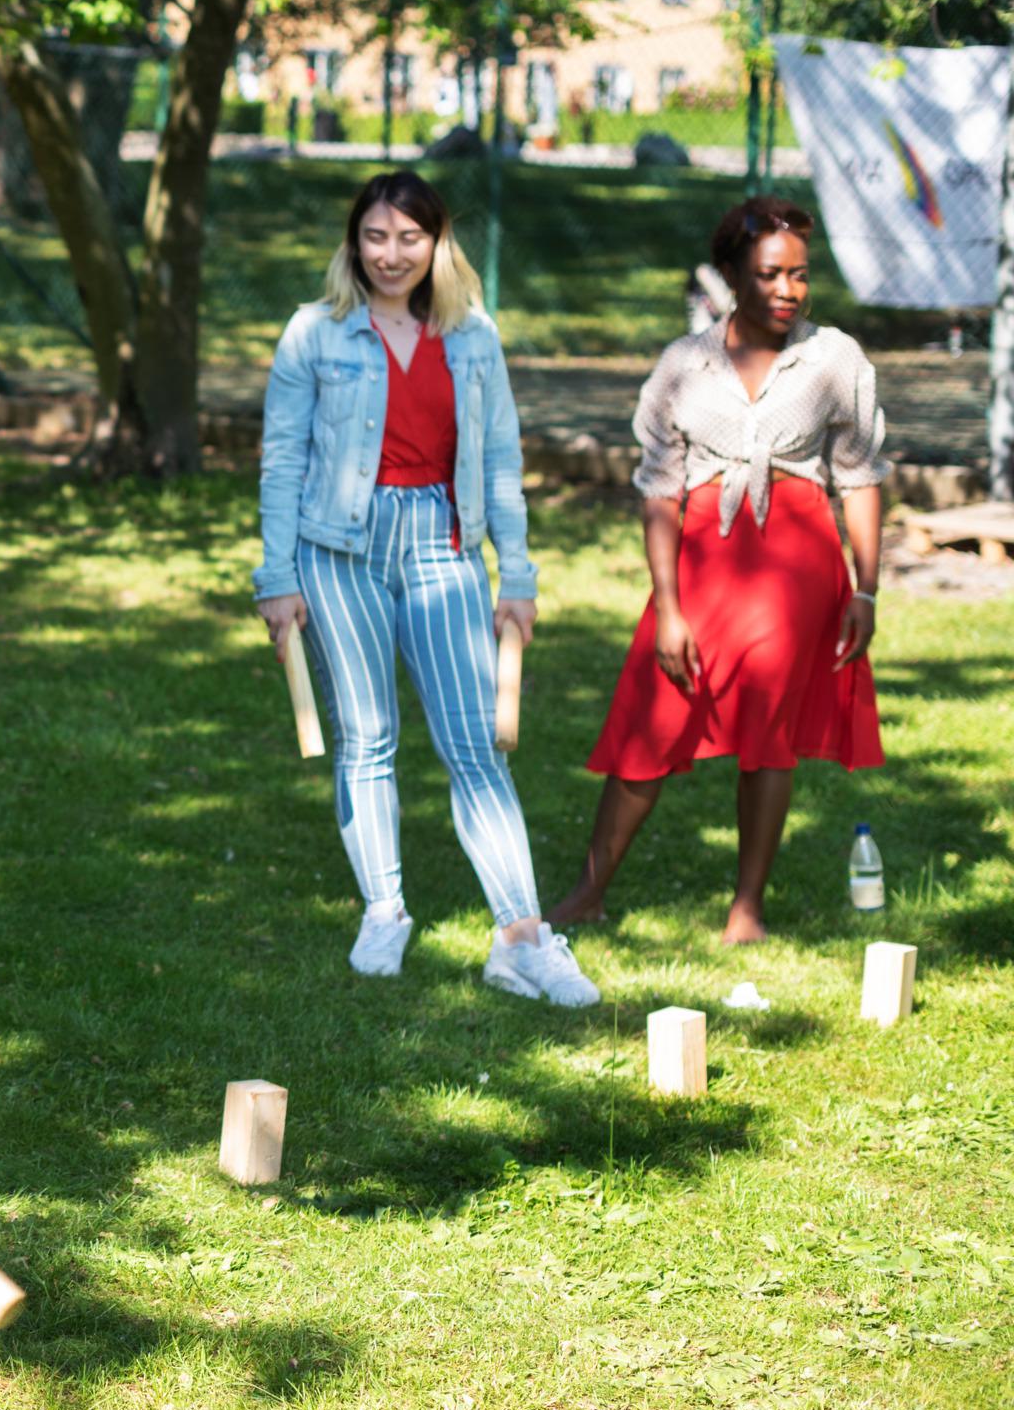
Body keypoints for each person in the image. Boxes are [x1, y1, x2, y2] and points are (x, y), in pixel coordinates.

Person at [255, 170, 598, 1007]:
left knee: (476, 745)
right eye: (375, 236)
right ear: (353, 242)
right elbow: (282, 459)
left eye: (410, 237)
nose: (390, 254)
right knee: (366, 738)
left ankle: (519, 938)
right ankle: (384, 909)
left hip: (443, 546)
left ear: (438, 244)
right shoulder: (314, 333)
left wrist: (516, 574)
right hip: (337, 552)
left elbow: (504, 460)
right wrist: (277, 577)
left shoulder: (473, 336)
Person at [548, 196, 884, 945]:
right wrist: (668, 606)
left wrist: (865, 586)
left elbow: (860, 476)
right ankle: (589, 890)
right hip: (702, 554)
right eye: (769, 274)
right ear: (732, 273)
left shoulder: (835, 359)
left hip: (795, 562)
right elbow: (659, 491)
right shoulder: (684, 363)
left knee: (769, 728)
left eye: (800, 274)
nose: (788, 290)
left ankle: (747, 909)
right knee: (652, 713)